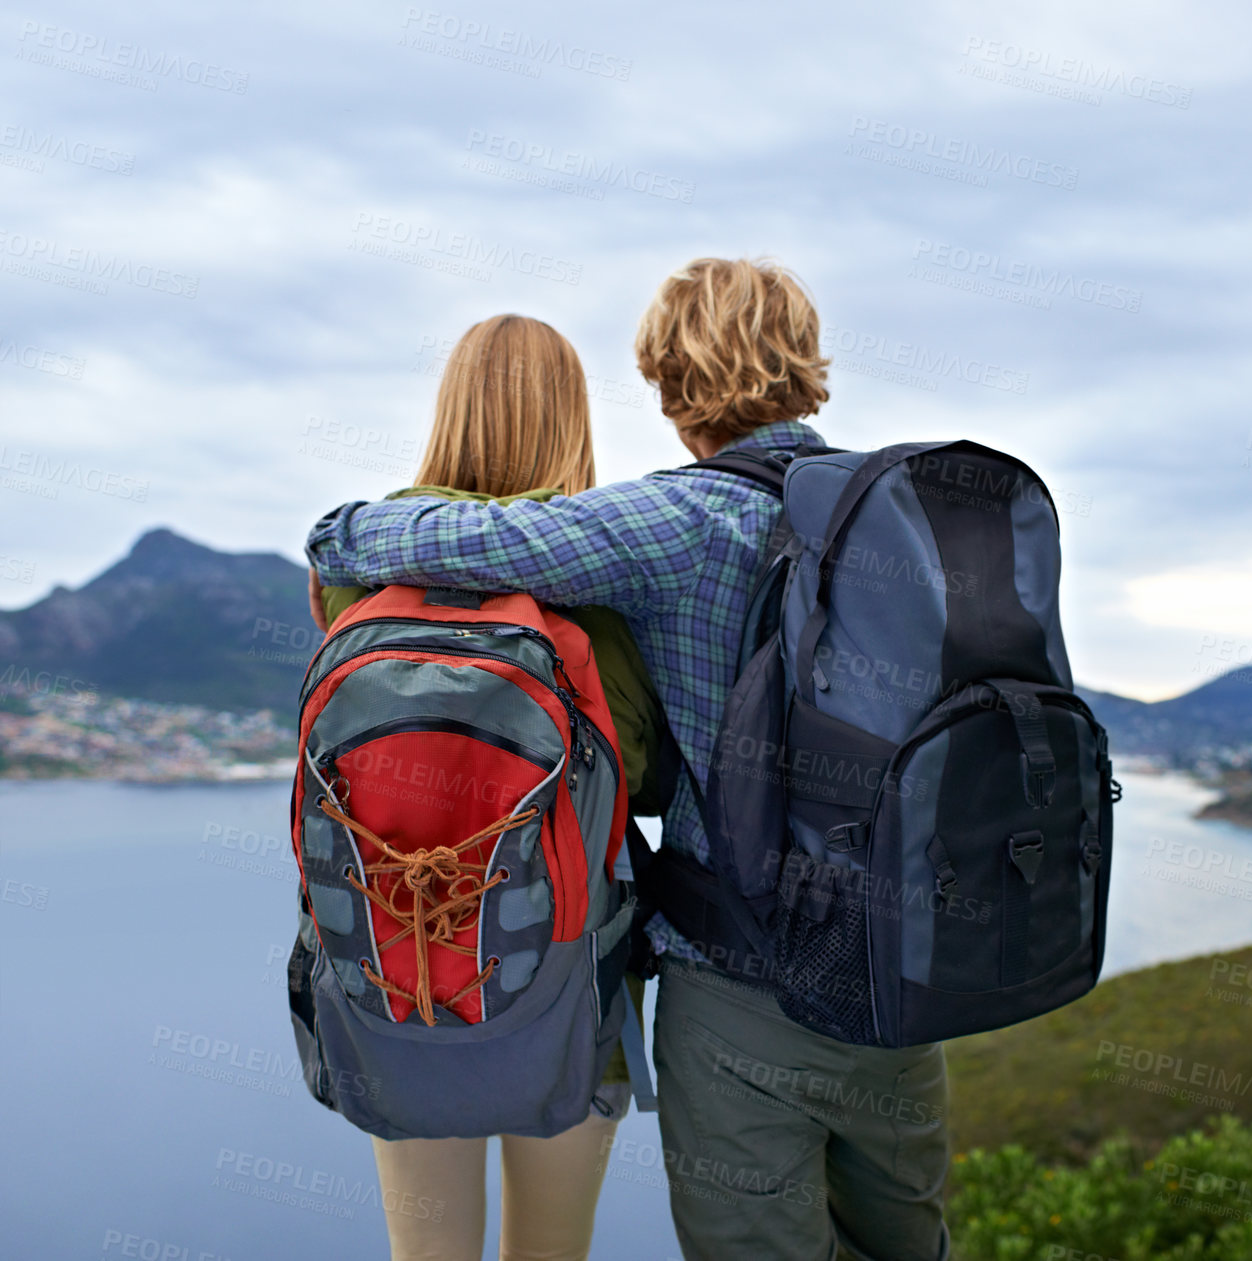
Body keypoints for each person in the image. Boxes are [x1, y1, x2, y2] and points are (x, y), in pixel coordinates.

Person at [307, 258, 951, 1261]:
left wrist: (339, 528)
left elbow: (488, 553)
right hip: (880, 970)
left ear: (663, 382)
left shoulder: (654, 525)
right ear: (810, 364)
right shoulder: (900, 514)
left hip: (459, 973)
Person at [307, 313, 664, 1261]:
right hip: (570, 977)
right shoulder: (597, 582)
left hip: (395, 977)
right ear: (573, 422)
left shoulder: (358, 563)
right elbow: (643, 775)